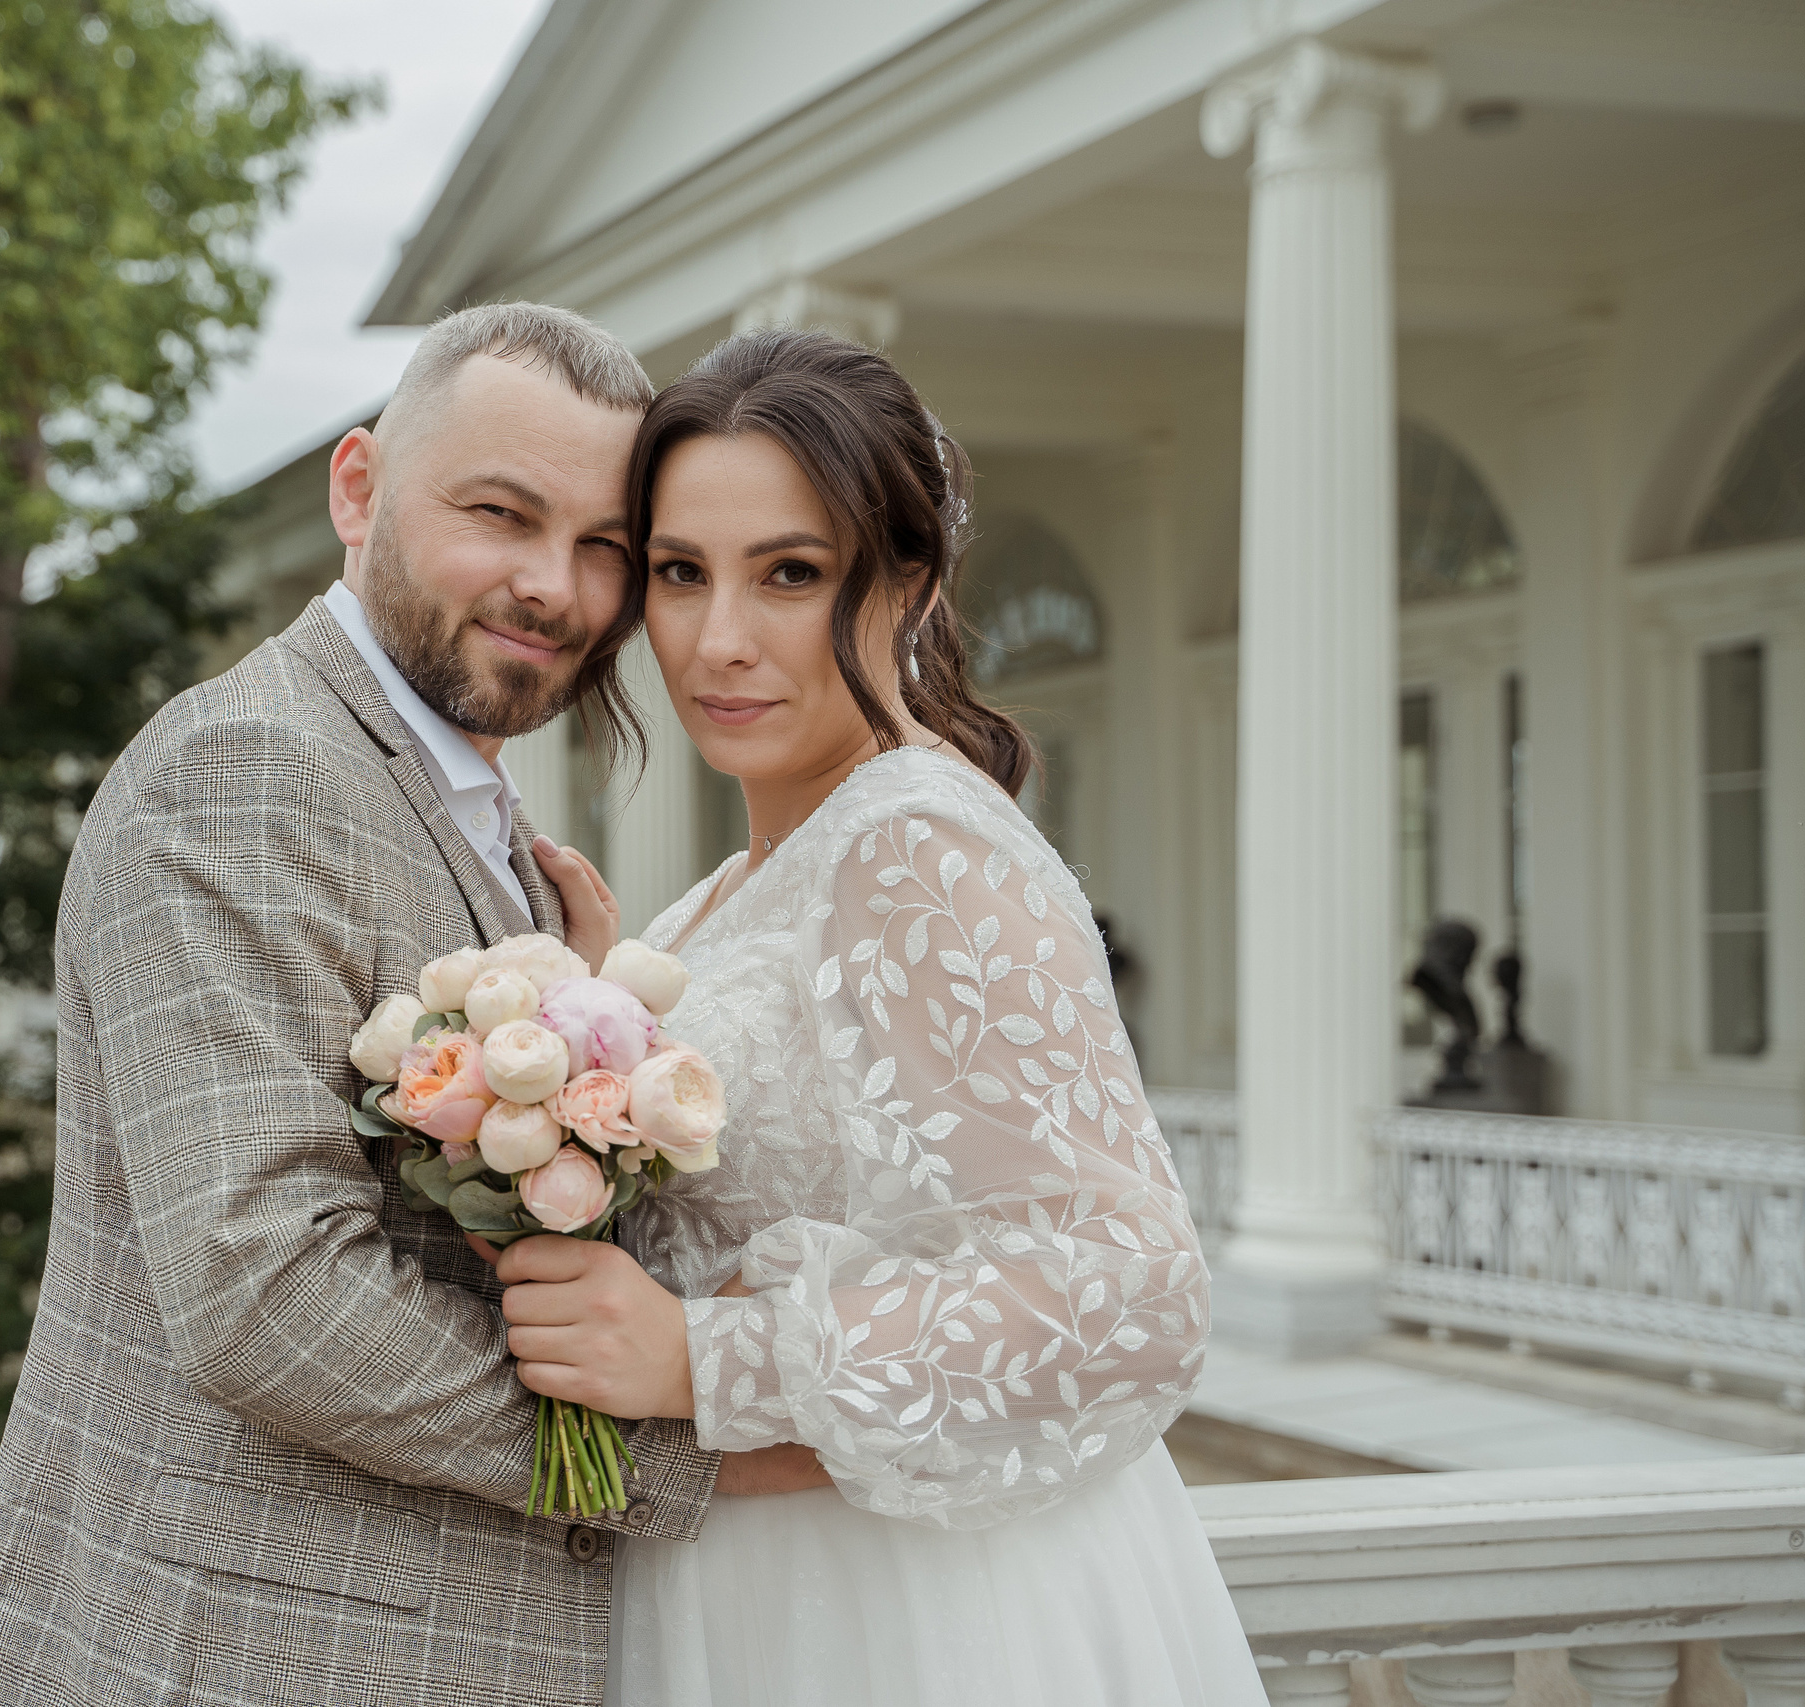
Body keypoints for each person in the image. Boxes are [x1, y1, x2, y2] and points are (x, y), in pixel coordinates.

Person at [0, 302, 720, 1707]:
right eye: (500, 511)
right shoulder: (248, 768)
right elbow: (264, 1286)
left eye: (602, 544)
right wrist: (667, 1448)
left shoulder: (477, 814)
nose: (554, 585)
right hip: (250, 1660)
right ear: (358, 489)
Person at [495, 327, 1268, 1705]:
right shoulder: (748, 880)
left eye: (789, 574)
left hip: (910, 1622)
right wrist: (604, 1002)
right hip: (759, 1587)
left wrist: (700, 1358)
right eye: (680, 574)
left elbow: (1131, 1295)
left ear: (907, 580)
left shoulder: (917, 844)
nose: (719, 641)